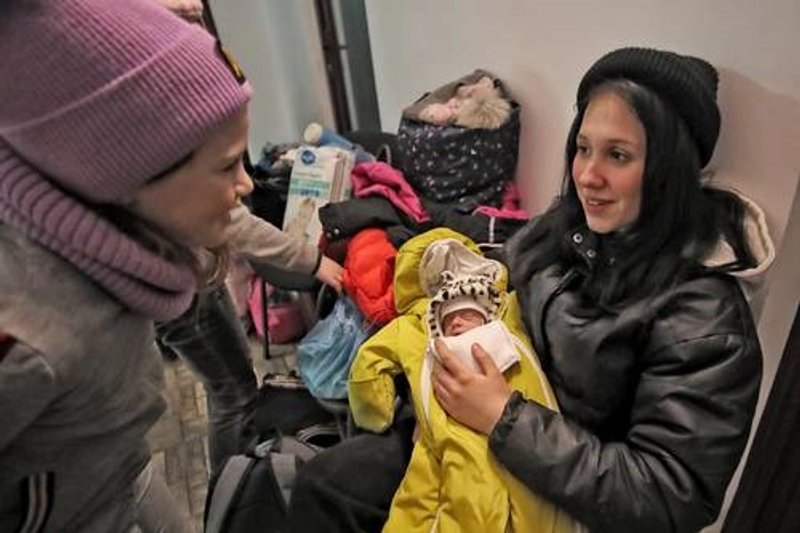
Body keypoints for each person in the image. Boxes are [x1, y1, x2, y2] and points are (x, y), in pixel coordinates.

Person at [288, 46, 775, 532]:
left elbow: (671, 494)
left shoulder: (705, 318)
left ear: (670, 170)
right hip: (482, 439)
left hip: (562, 496)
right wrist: (432, 398)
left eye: (618, 155)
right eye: (583, 148)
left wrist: (504, 417)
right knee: (329, 485)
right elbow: (503, 284)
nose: (588, 176)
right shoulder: (570, 230)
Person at [0, 0, 313, 530]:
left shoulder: (125, 245)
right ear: (123, 176)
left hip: (121, 474)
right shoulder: (29, 342)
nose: (246, 185)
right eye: (226, 165)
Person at [150, 0, 344, 484]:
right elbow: (238, 224)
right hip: (185, 289)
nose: (248, 184)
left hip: (192, 279)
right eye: (226, 166)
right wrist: (313, 261)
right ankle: (233, 491)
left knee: (233, 385)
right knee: (233, 391)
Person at [346, 229, 574, 532]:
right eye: (448, 317)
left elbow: (366, 369)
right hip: (450, 433)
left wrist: (374, 413)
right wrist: (377, 411)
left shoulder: (510, 310)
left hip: (523, 424)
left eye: (464, 313)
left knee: (538, 504)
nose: (456, 322)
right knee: (431, 494)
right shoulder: (412, 329)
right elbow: (368, 366)